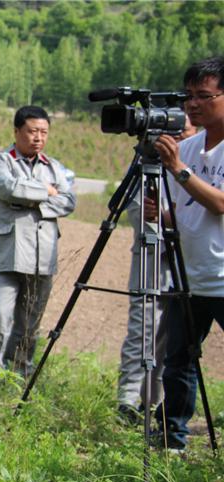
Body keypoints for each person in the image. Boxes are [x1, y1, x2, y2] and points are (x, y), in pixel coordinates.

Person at [150, 56, 224, 451]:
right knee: (178, 361)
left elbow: (220, 204)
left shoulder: (182, 158)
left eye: (204, 96)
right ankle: (171, 440)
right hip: (188, 276)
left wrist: (179, 169)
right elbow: (182, 210)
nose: (193, 104)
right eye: (189, 95)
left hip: (222, 277)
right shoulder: (189, 147)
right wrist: (159, 214)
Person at [0, 106, 76, 378]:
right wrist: (46, 191)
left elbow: (69, 201)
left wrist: (30, 201)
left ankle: (19, 373)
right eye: (32, 131)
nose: (38, 138)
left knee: (30, 323)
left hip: (42, 255)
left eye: (44, 132)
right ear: (17, 131)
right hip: (6, 253)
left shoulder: (54, 167)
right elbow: (9, 188)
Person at [116, 116, 197, 425]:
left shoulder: (198, 167)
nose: (177, 139)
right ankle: (128, 400)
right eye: (172, 133)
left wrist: (171, 219)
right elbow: (138, 211)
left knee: (174, 341)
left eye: (183, 132)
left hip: (187, 265)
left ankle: (155, 403)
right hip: (151, 260)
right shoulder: (149, 165)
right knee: (142, 334)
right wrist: (163, 220)